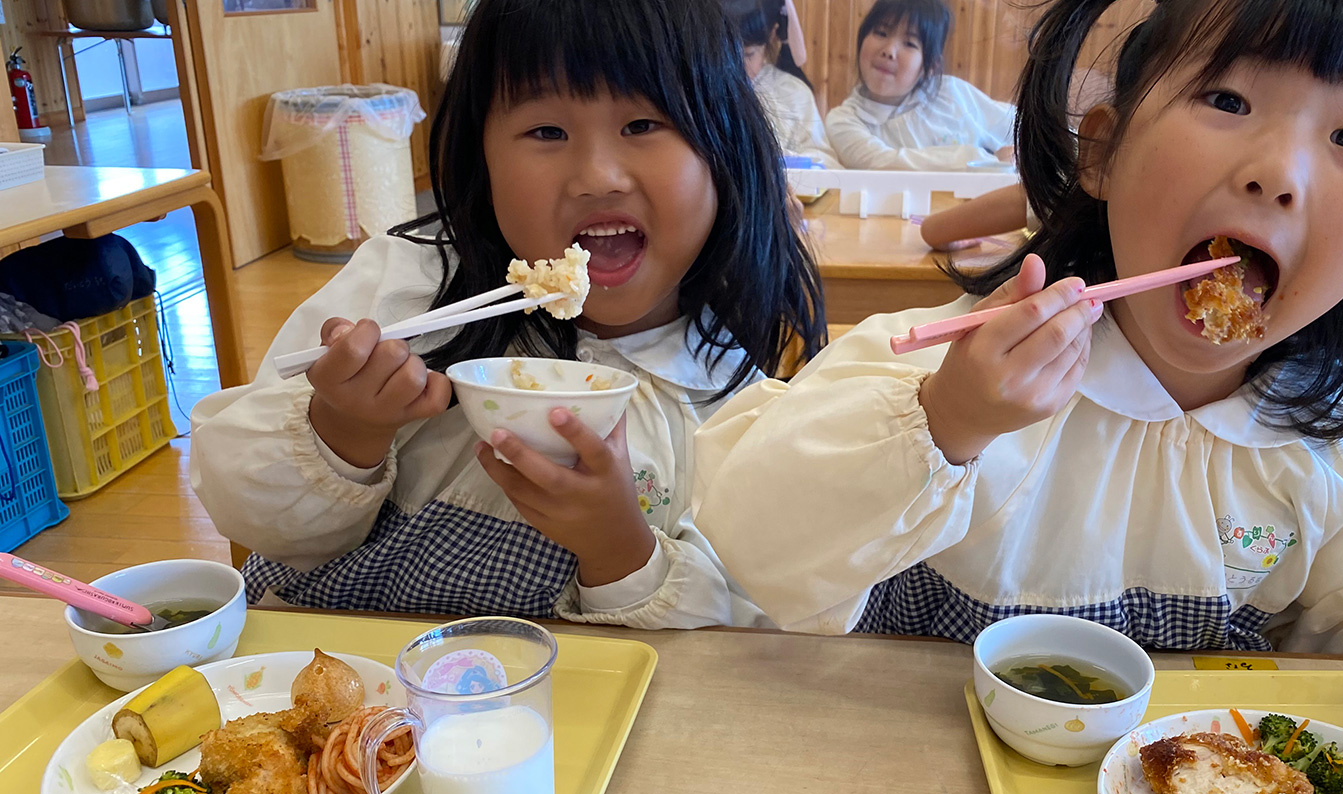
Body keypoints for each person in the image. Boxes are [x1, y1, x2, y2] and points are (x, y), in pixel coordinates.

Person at [695, 1, 1343, 666]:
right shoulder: (954, 363)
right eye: (1231, 102)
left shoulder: (1326, 429)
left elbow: (1339, 596)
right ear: (1102, 152)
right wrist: (948, 424)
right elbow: (752, 544)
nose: (1278, 175)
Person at [191, 0, 824, 628]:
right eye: (547, 132)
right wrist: (343, 433)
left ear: (725, 150)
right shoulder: (407, 292)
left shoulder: (735, 397)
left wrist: (618, 552)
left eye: (643, 125)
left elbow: (747, 640)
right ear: (481, 159)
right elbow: (247, 514)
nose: (598, 176)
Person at [824, 0, 1017, 170]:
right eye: (881, 33)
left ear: (930, 66)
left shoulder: (951, 93)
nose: (889, 51)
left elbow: (1015, 123)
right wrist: (985, 160)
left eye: (909, 43)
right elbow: (881, 163)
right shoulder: (843, 120)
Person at [725, 0, 839, 168]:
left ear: (772, 35)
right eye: (724, 51)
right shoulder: (696, 88)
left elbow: (827, 163)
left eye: (748, 54)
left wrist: (791, 160)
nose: (735, 65)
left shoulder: (793, 92)